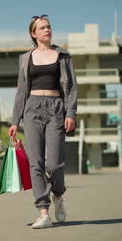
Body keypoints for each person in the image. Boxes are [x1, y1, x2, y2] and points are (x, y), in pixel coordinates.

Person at [8, 15, 77, 229]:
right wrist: (15, 120)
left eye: (49, 27)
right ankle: (43, 211)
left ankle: (58, 195)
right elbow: (21, 91)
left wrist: (70, 113)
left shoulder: (62, 55)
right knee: (35, 162)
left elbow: (72, 87)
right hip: (32, 109)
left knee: (55, 163)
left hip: (56, 107)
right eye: (42, 27)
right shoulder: (25, 58)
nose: (47, 30)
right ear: (33, 33)